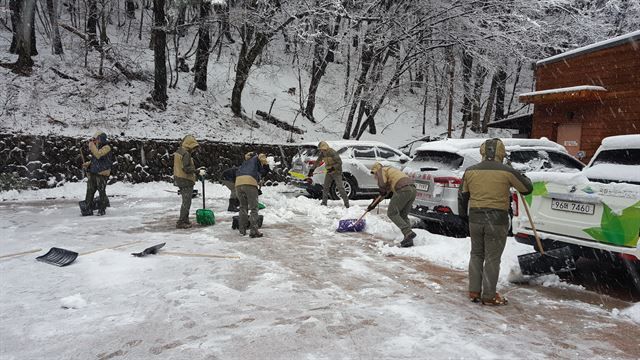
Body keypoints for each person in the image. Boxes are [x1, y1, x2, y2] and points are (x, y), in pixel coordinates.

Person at [458, 138, 533, 306]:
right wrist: (519, 174)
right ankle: (489, 295)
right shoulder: (507, 170)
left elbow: (462, 195)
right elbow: (527, 188)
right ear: (501, 152)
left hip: (475, 219)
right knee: (492, 257)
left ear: (482, 151)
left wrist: (463, 216)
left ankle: (474, 291)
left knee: (476, 254)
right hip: (497, 220)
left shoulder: (470, 171)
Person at [367, 162, 417, 247]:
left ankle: (408, 232)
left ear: (375, 170)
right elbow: (385, 192)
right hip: (412, 190)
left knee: (391, 213)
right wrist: (373, 205)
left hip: (403, 189)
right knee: (403, 215)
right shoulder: (391, 172)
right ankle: (408, 239)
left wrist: (381, 187)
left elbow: (382, 185)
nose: (375, 177)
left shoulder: (381, 170)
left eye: (374, 174)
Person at [235, 152, 270, 238]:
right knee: (254, 208)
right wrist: (266, 165)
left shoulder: (245, 162)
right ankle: (254, 231)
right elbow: (263, 171)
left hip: (238, 183)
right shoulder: (257, 159)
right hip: (249, 183)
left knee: (243, 207)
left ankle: (242, 230)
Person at [308, 141, 349, 208]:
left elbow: (339, 162)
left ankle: (347, 204)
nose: (320, 150)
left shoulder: (332, 152)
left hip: (337, 172)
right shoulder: (323, 153)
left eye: (321, 148)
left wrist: (333, 168)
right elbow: (317, 162)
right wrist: (312, 170)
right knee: (325, 187)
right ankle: (324, 203)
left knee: (340, 188)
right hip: (329, 172)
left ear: (324, 147)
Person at [82, 131, 112, 216]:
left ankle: (102, 209)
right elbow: (95, 159)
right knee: (90, 190)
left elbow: (99, 155)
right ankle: (87, 207)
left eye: (96, 139)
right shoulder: (97, 147)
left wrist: (92, 146)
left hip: (102, 173)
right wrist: (88, 164)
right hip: (94, 172)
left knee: (101, 191)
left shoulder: (107, 147)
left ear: (100, 138)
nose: (95, 141)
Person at [173, 135, 200, 229]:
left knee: (185, 201)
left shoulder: (179, 151)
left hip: (178, 178)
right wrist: (197, 171)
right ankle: (181, 221)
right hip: (185, 179)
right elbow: (186, 168)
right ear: (190, 145)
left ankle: (185, 219)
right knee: (186, 202)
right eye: (194, 148)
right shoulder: (186, 154)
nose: (194, 150)